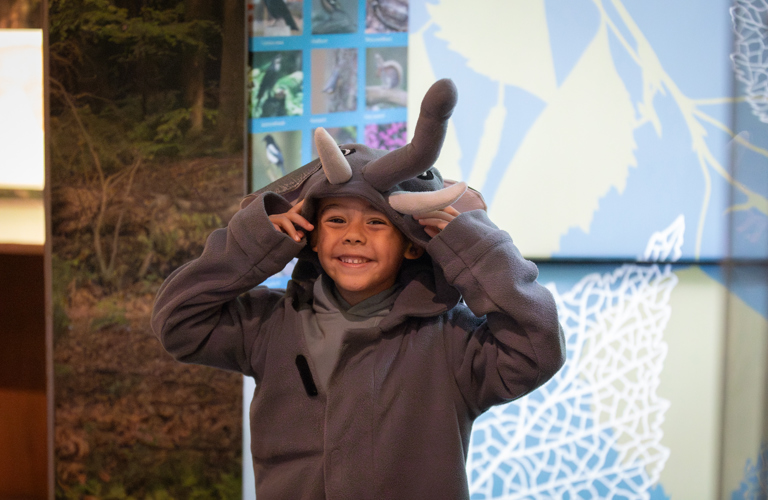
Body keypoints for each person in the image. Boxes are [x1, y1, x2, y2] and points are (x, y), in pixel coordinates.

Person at [151, 79, 565, 499]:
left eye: (376, 222)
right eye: (336, 220)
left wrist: (474, 247)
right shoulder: (270, 326)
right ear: (309, 236)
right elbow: (179, 323)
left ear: (410, 245)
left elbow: (536, 349)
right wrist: (249, 245)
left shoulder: (449, 343)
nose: (353, 236)